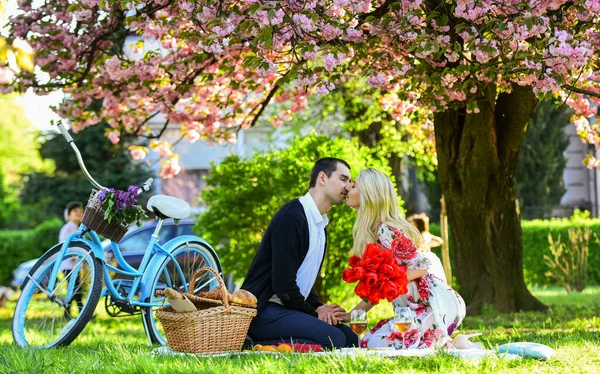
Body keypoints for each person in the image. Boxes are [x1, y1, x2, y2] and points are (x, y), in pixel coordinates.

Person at [241, 157, 359, 350]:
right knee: (334, 340)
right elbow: (283, 285)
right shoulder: (292, 217)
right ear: (322, 178)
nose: (348, 186)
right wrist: (315, 313)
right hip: (263, 311)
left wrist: (320, 307)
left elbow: (303, 278)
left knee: (350, 338)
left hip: (289, 308)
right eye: (343, 179)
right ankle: (253, 343)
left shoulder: (320, 224)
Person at [344, 169, 466, 349]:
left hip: (433, 306)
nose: (348, 188)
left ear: (367, 194)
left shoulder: (385, 230)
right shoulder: (372, 233)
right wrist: (351, 314)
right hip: (411, 311)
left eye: (353, 185)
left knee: (377, 345)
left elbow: (422, 265)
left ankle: (452, 343)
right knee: (368, 341)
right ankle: (446, 343)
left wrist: (388, 281)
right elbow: (377, 289)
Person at [59, 201, 84, 317]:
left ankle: (69, 311)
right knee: (75, 288)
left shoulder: (75, 228)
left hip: (74, 265)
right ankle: (79, 310)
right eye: (75, 211)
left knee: (74, 287)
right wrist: (73, 254)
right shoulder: (68, 228)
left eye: (80, 211)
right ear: (68, 216)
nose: (79, 213)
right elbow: (64, 243)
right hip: (69, 264)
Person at [408, 213, 447, 283]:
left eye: (413, 224)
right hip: (428, 258)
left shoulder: (418, 236)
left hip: (421, 260)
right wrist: (429, 244)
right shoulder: (427, 235)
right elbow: (440, 241)